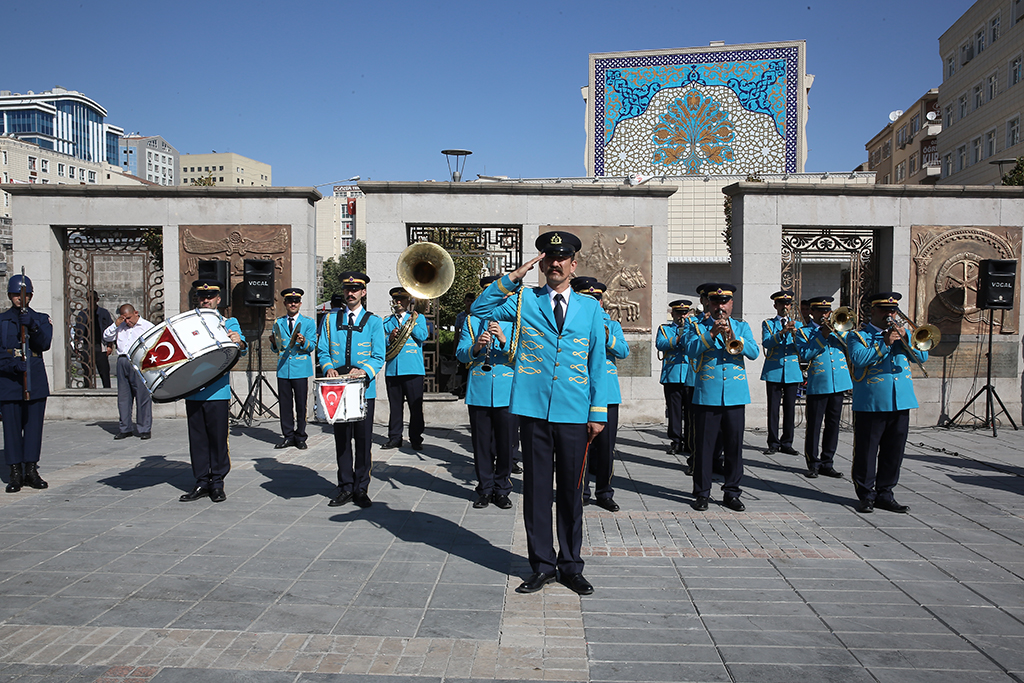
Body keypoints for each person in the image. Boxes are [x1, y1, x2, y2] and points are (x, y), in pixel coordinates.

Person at [471, 230, 607, 596]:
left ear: (573, 264)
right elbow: (479, 309)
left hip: (575, 413)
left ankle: (571, 565)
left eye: (562, 258)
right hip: (533, 412)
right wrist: (514, 276)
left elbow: (598, 361)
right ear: (542, 263)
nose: (555, 263)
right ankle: (542, 565)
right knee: (534, 491)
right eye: (548, 258)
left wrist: (598, 412)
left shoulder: (591, 308)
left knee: (570, 491)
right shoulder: (523, 301)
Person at [847, 292, 926, 514]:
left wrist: (907, 338)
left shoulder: (905, 334)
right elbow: (859, 359)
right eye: (884, 310)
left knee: (894, 452)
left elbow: (923, 357)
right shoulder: (858, 336)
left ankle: (885, 493)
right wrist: (884, 344)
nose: (890, 315)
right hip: (872, 403)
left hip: (900, 402)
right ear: (873, 311)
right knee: (867, 451)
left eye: (893, 310)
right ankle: (865, 494)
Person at [684, 283, 759, 512]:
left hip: (735, 396)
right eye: (716, 302)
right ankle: (702, 493)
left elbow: (754, 353)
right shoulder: (697, 327)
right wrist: (711, 334)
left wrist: (733, 335)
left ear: (731, 304)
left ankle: (732, 492)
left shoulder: (742, 327)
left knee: (734, 447)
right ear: (708, 303)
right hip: (707, 395)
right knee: (704, 448)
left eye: (724, 302)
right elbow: (689, 350)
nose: (720, 307)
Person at [317, 271, 385, 508]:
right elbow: (322, 350)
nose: (351, 293)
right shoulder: (329, 320)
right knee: (342, 440)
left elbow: (379, 356)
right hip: (338, 389)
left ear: (363, 292)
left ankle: (361, 488)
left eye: (355, 289)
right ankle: (345, 486)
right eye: (347, 289)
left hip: (364, 390)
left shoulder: (375, 322)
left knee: (364, 441)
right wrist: (328, 368)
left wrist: (364, 370)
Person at [179, 279, 247, 503]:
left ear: (219, 299)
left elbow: (241, 346)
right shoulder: (187, 323)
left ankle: (217, 483)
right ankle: (200, 482)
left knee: (218, 439)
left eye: (210, 296)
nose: (205, 300)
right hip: (193, 389)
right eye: (201, 296)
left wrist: (239, 342)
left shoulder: (229, 322)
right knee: (197, 439)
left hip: (217, 391)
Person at [456, 275, 514, 510]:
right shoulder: (471, 321)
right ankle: (484, 488)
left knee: (505, 443)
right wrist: (477, 347)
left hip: (506, 390)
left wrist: (502, 339)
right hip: (479, 390)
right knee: (481, 444)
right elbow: (461, 354)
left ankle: (502, 488)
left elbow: (524, 356)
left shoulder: (515, 320)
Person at [574, 277, 628, 512]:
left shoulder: (612, 324)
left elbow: (623, 351)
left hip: (607, 394)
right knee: (580, 445)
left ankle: (604, 492)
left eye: (597, 299)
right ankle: (581, 491)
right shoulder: (573, 322)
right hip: (579, 390)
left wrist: (607, 336)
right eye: (589, 299)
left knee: (606, 447)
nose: (595, 303)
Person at [1, 274, 53, 493]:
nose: (20, 299)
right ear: (10, 295)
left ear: (30, 295)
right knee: (11, 429)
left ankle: (31, 470)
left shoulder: (40, 318)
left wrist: (32, 326)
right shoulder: (2, 320)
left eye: (24, 295)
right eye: (15, 295)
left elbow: (44, 343)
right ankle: (14, 472)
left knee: (33, 428)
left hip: (34, 378)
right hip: (10, 380)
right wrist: (11, 365)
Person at [795, 296, 850, 478]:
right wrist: (822, 335)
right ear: (812, 312)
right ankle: (813, 463)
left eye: (827, 311)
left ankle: (828, 462)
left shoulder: (840, 330)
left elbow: (850, 349)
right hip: (819, 384)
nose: (824, 314)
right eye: (820, 311)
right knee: (815, 425)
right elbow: (804, 355)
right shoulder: (803, 332)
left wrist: (837, 333)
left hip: (838, 383)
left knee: (833, 425)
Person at [382, 287, 427, 450]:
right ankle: (395, 437)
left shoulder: (418, 318)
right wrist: (390, 337)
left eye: (402, 299)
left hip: (413, 369)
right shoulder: (387, 321)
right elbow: (381, 343)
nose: (398, 302)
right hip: (393, 369)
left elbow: (423, 336)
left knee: (415, 407)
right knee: (395, 406)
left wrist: (409, 323)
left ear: (409, 301)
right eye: (396, 300)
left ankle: (416, 438)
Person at [271, 288, 316, 450]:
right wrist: (274, 343)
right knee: (285, 404)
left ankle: (301, 436)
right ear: (285, 303)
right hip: (284, 368)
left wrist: (303, 341)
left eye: (296, 301)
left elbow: (312, 346)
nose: (293, 304)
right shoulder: (278, 322)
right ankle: (288, 436)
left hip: (300, 369)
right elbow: (275, 349)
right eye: (290, 301)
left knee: (300, 404)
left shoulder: (308, 322)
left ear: (300, 304)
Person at [103, 304, 154, 440]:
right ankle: (125, 428)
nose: (127, 322)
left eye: (129, 318)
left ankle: (144, 428)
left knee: (142, 396)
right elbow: (107, 336)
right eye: (124, 319)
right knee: (124, 396)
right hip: (122, 360)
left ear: (136, 313)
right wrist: (116, 324)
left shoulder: (147, 326)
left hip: (138, 360)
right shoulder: (120, 326)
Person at [761, 290, 803, 456]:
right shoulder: (769, 324)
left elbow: (802, 348)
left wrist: (794, 334)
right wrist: (783, 332)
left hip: (792, 371)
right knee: (773, 409)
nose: (784, 307)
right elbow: (767, 342)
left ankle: (787, 442)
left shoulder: (798, 325)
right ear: (775, 306)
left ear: (790, 306)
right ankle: (773, 442)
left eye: (787, 304)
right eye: (781, 304)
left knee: (790, 409)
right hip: (774, 371)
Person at [656, 299, 692, 456]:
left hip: (690, 376)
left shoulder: (694, 328)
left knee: (691, 412)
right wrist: (678, 338)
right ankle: (676, 441)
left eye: (684, 313)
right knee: (674, 411)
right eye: (678, 313)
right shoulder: (665, 329)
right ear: (672, 314)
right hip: (672, 375)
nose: (682, 316)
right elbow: (660, 344)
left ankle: (691, 442)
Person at [75, 291, 114, 388]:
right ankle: (88, 389)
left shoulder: (103, 313)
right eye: (89, 299)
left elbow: (111, 329)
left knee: (104, 371)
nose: (91, 301)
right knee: (87, 372)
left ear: (97, 300)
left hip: (100, 346)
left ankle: (107, 390)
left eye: (93, 299)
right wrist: (77, 345)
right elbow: (78, 330)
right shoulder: (83, 314)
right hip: (86, 346)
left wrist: (110, 345)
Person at [452, 291, 475, 397]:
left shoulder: (477, 315)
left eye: (472, 301)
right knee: (462, 369)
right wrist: (455, 349)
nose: (469, 303)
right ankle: (462, 389)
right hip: (464, 345)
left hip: (474, 345)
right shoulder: (461, 316)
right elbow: (457, 333)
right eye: (468, 301)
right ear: (465, 302)